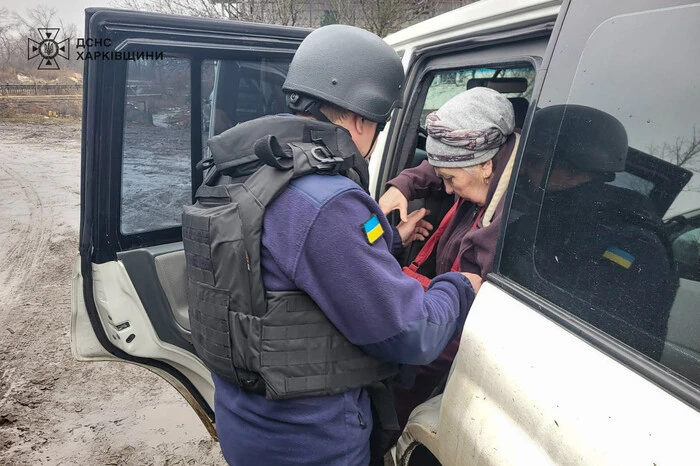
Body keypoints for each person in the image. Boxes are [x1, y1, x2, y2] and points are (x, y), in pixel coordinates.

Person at [186, 25, 481, 466]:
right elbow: (411, 332)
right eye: (380, 126)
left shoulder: (241, 171)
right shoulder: (326, 200)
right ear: (363, 119)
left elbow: (282, 268)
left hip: (246, 423)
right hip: (312, 441)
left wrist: (387, 242)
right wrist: (459, 286)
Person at [378, 87, 520, 430]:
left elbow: (464, 300)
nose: (446, 189)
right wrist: (405, 184)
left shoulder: (510, 214)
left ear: (486, 165)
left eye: (450, 180)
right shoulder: (493, 169)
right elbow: (445, 161)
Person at [505, 104, 677, 360]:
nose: (522, 170)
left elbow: (591, 333)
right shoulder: (561, 214)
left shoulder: (633, 242)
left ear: (572, 167)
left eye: (534, 160)